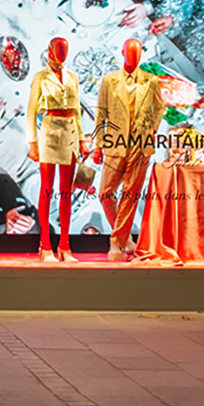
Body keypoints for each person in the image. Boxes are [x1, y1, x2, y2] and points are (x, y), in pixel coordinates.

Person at [91, 38, 165, 261]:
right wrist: (98, 146)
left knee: (130, 195)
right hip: (115, 144)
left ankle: (116, 243)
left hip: (141, 145)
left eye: (138, 53)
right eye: (130, 52)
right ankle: (125, 238)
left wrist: (152, 128)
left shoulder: (151, 81)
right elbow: (101, 114)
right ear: (122, 52)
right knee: (106, 193)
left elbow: (160, 107)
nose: (134, 57)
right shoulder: (109, 80)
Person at [26, 37, 83, 262]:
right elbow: (31, 112)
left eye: (64, 51)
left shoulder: (72, 77)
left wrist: (82, 140)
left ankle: (65, 244)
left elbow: (77, 109)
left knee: (66, 192)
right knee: (47, 190)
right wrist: (31, 142)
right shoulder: (41, 77)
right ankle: (45, 245)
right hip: (49, 131)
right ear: (49, 51)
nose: (61, 55)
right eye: (58, 50)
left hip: (69, 132)